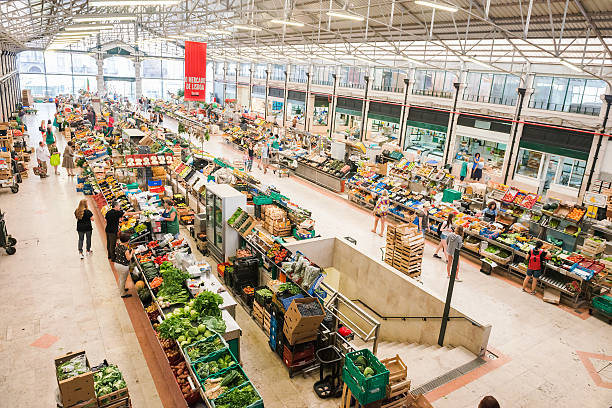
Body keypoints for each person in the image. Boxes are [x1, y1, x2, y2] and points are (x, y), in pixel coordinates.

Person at [114, 233, 134, 298]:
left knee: (120, 278)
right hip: (123, 266)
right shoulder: (126, 249)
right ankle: (123, 294)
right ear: (127, 241)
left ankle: (121, 288)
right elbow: (128, 258)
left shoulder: (118, 245)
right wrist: (132, 253)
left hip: (117, 264)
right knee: (123, 279)